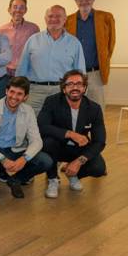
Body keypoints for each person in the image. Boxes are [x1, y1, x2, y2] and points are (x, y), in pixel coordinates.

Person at [0, 77, 53, 199]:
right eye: (12, 92)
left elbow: (37, 141)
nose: (14, 96)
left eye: (19, 94)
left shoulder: (28, 111)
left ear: (25, 97)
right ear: (6, 91)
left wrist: (24, 159)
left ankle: (15, 180)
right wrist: (3, 159)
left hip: (15, 150)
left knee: (46, 161)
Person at [38, 70, 106, 198]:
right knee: (48, 142)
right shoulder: (52, 101)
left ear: (84, 88)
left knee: (99, 168)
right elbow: (42, 126)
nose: (75, 87)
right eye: (70, 84)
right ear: (64, 89)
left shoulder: (94, 108)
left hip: (79, 149)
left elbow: (100, 141)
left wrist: (79, 161)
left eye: (79, 84)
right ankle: (53, 179)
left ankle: (73, 174)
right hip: (57, 146)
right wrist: (70, 134)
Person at [17, 5, 86, 115]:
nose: (54, 19)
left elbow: (80, 72)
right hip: (35, 92)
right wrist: (19, 91)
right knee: (31, 123)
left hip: (62, 92)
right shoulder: (33, 40)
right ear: (45, 19)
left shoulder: (74, 43)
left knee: (60, 123)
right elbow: (22, 69)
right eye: (50, 16)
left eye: (58, 16)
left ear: (65, 19)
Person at [64, 0, 116, 108]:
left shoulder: (106, 18)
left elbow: (111, 44)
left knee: (97, 108)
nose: (84, 1)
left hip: (95, 73)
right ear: (76, 0)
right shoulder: (68, 20)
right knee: (74, 107)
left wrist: (104, 60)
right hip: (73, 73)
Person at [0, 0, 40, 77]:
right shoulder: (1, 31)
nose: (18, 10)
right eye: (15, 7)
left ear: (26, 10)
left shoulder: (34, 29)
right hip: (6, 73)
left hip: (26, 72)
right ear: (9, 10)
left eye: (21, 7)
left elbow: (37, 52)